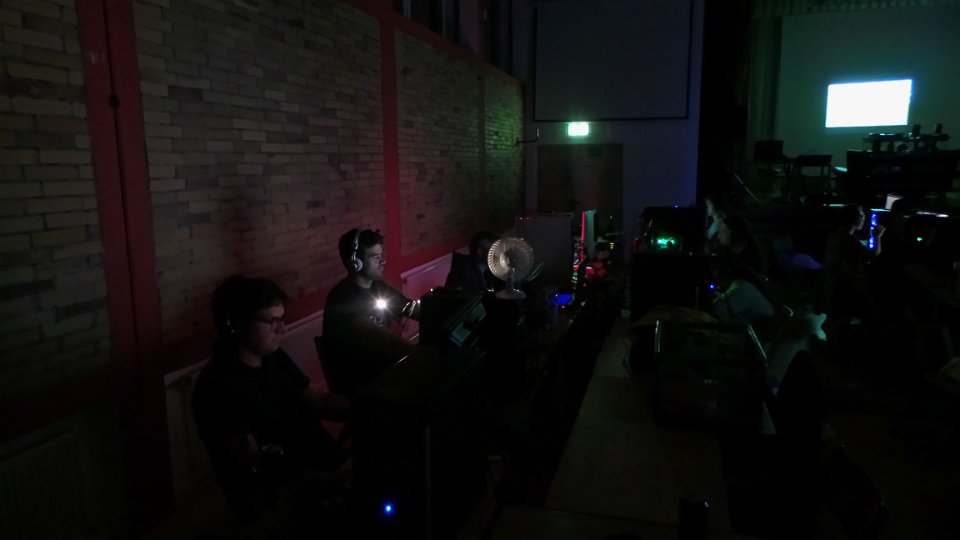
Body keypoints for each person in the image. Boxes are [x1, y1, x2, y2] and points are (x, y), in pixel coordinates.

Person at [192, 276, 349, 521]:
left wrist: (372, 407)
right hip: (292, 502)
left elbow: (320, 401)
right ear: (235, 324)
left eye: (282, 319)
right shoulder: (217, 387)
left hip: (327, 473)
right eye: (271, 321)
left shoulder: (273, 358)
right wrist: (338, 478)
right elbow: (254, 473)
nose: (282, 330)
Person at [321, 228, 418, 397]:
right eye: (375, 257)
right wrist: (420, 356)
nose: (383, 261)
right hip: (362, 385)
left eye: (381, 255)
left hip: (384, 370)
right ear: (355, 262)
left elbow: (410, 307)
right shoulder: (342, 297)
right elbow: (383, 339)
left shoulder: (377, 286)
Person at [818, 204, 884, 328]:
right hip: (843, 287)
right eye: (862, 216)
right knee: (841, 321)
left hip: (832, 283)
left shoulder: (835, 235)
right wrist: (877, 237)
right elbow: (872, 256)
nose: (864, 219)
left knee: (834, 318)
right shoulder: (849, 240)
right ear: (856, 218)